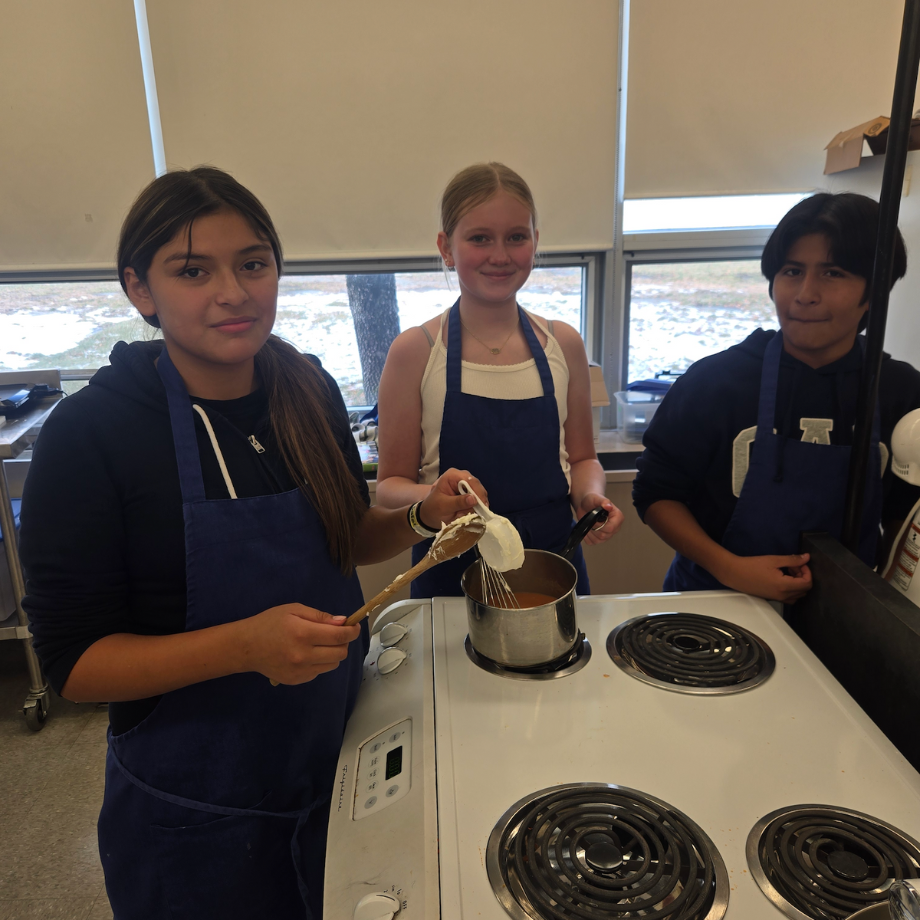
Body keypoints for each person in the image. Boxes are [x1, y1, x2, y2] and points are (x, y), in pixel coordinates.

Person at [19, 167, 480, 919]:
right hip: (196, 814)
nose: (233, 292)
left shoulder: (305, 385)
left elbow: (342, 536)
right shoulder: (92, 436)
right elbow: (76, 664)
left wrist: (425, 520)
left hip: (337, 759)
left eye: (253, 263)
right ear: (140, 289)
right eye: (193, 270)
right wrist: (243, 647)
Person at [632, 192, 920, 603]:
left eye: (833, 273)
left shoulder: (903, 393)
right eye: (792, 271)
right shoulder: (716, 381)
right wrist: (728, 566)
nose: (805, 293)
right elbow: (656, 493)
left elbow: (904, 517)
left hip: (847, 616)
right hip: (715, 603)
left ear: (874, 292)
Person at [375, 162, 624, 597]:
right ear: (446, 247)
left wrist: (590, 499)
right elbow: (389, 489)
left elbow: (583, 459)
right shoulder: (414, 352)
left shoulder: (563, 344)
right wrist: (436, 498)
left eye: (516, 237)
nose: (500, 255)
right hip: (449, 567)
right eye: (479, 238)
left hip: (553, 562)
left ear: (535, 242)